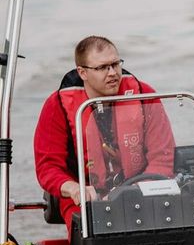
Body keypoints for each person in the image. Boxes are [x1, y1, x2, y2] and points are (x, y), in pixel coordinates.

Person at [33, 35, 174, 233]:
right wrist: (74, 189)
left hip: (142, 187)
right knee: (89, 231)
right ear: (82, 72)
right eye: (102, 68)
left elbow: (163, 156)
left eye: (116, 64)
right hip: (86, 195)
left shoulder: (144, 94)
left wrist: (136, 191)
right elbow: (48, 167)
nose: (112, 73)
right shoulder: (57, 105)